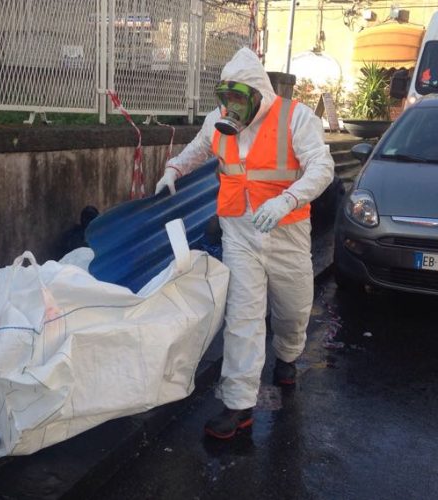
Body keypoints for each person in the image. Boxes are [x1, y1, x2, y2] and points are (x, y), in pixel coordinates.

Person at [154, 47, 335, 439]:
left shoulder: (295, 117)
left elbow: (323, 167)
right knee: (243, 319)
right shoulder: (218, 121)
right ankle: (238, 405)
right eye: (227, 98)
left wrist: (288, 198)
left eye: (240, 98)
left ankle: (287, 356)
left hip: (286, 232)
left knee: (292, 309)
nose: (232, 107)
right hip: (239, 232)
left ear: (258, 94)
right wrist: (173, 169)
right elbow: (198, 149)